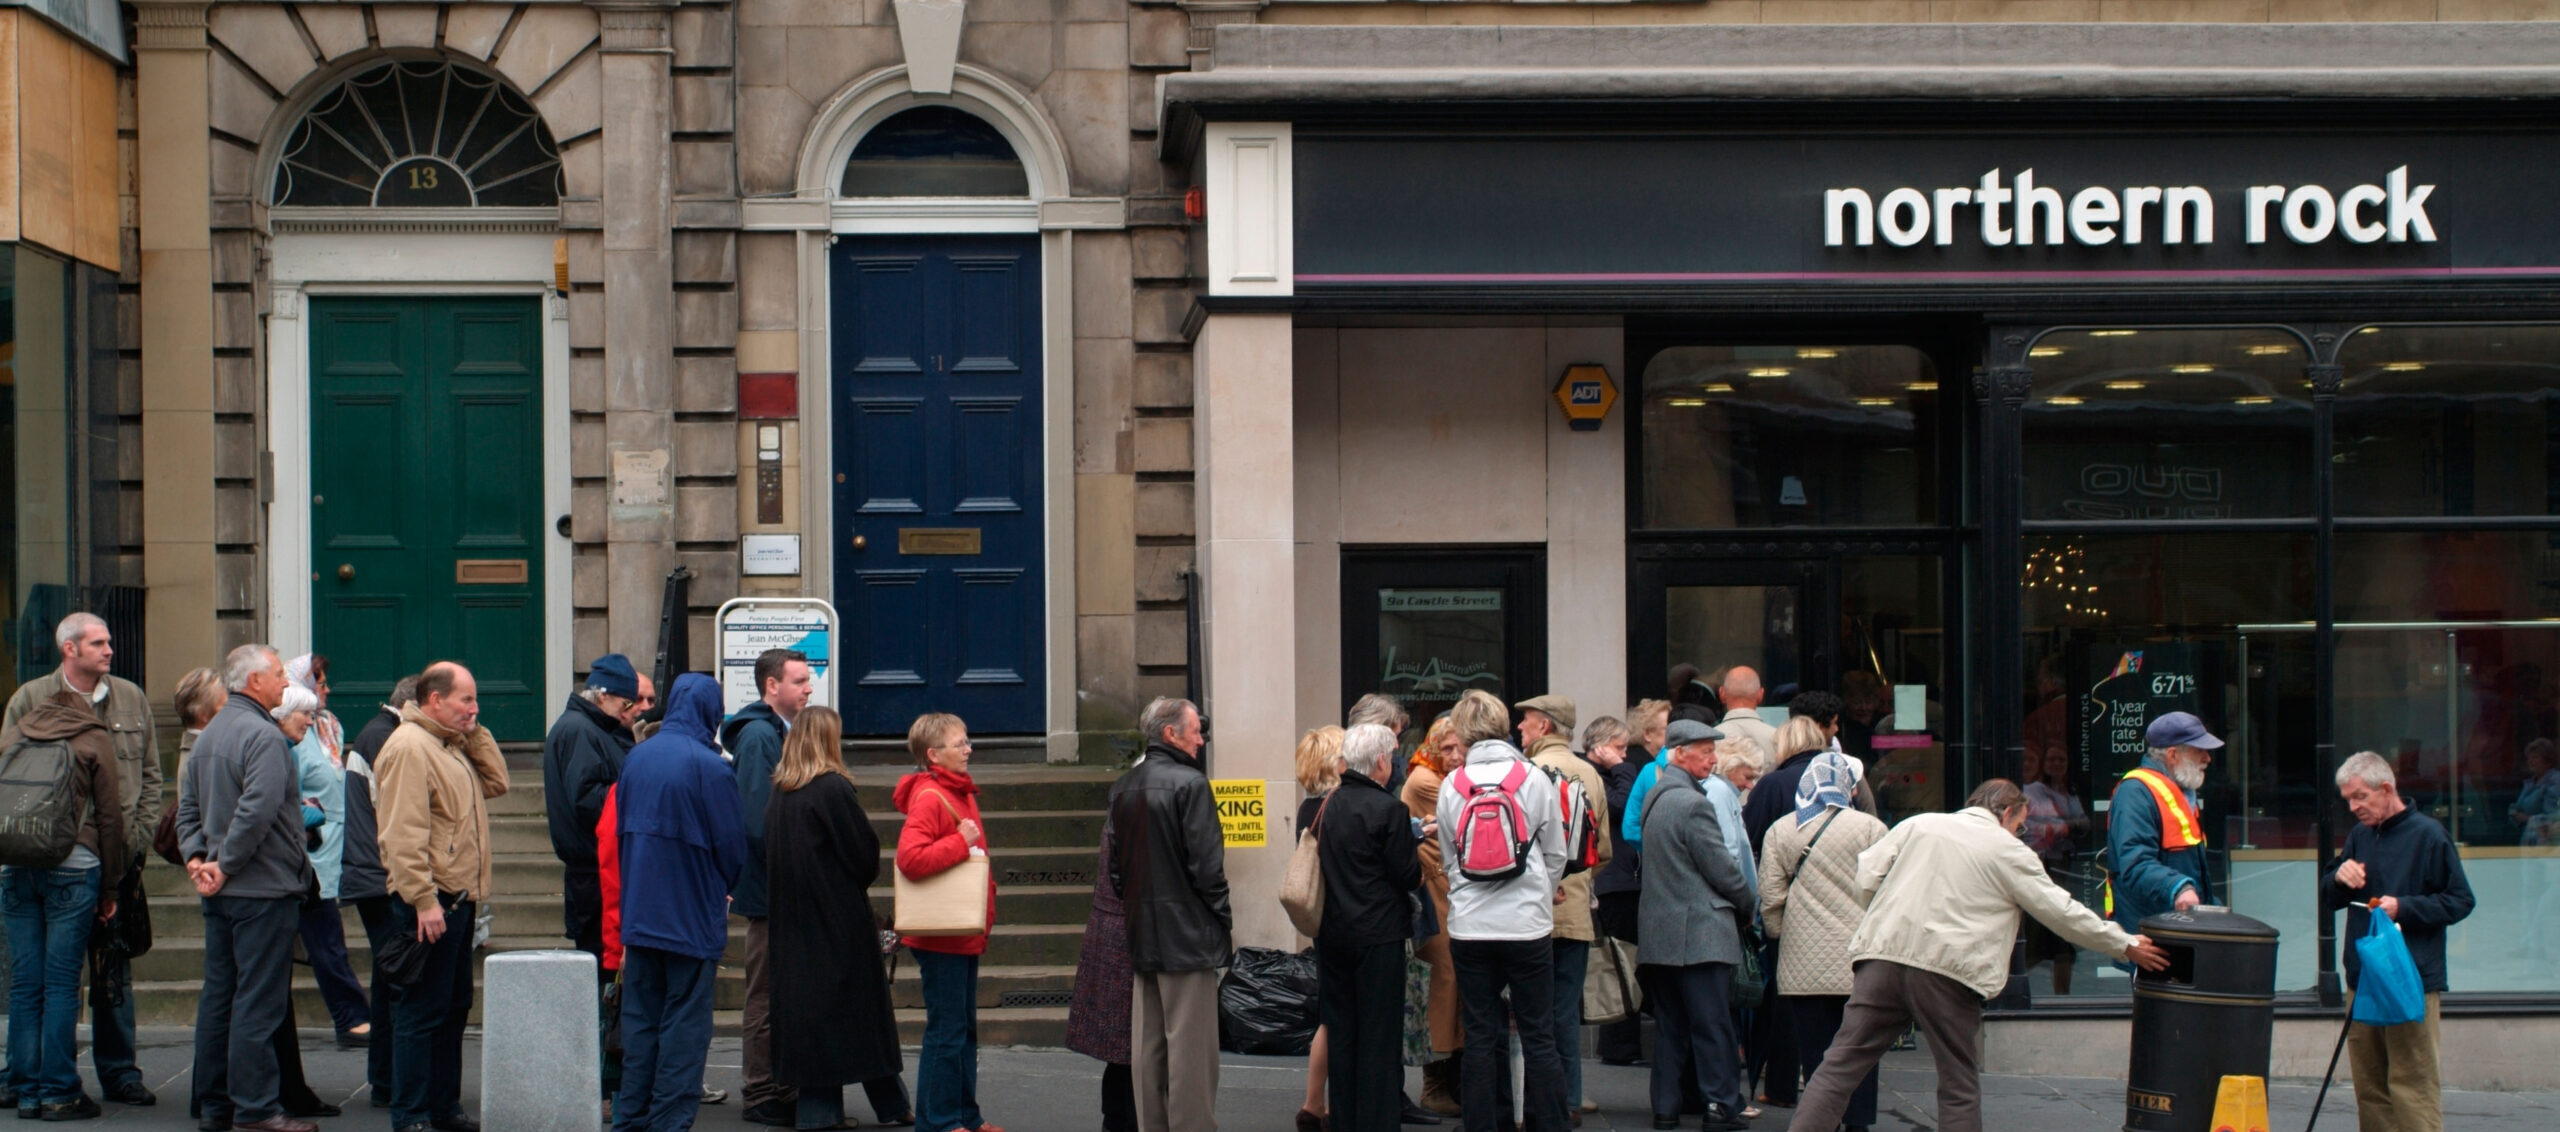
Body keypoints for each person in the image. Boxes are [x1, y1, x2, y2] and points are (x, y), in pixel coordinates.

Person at [1787, 780, 2169, 1132]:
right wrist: (2123, 944)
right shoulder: (2007, 850)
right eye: (2021, 825)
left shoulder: (1919, 825)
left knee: (1840, 1064)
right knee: (1958, 1083)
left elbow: (1867, 876)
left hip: (1881, 959)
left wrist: (1886, 919)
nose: (2020, 834)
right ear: (2007, 814)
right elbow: (2060, 912)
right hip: (1947, 971)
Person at [2, 612, 159, 1109]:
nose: (110, 649)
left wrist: (135, 842)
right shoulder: (29, 698)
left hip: (107, 855)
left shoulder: (131, 697)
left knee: (107, 973)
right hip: (58, 862)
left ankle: (111, 1074)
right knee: (56, 981)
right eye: (98, 642)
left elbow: (151, 777)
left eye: (111, 640)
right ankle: (49, 1086)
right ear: (69, 649)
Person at [176, 644, 318, 1132]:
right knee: (257, 1002)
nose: (286, 684)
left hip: (223, 889)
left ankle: (216, 1106)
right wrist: (223, 864)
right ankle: (256, 1110)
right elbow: (257, 810)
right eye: (278, 675)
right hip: (261, 889)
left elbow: (187, 807)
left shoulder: (210, 732)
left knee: (220, 997)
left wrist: (200, 860)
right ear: (253, 681)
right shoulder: (264, 736)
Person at [377, 661, 510, 1132]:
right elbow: (401, 834)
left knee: (452, 1009)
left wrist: (471, 731)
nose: (475, 708)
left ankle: (442, 1107)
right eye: (466, 700)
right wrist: (422, 899)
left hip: (459, 901)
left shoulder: (447, 745)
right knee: (420, 1013)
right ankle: (411, 1114)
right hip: (432, 904)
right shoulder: (411, 748)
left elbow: (497, 782)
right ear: (435, 700)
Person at [614, 673, 747, 1132]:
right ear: (711, 712)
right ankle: (668, 1123)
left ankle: (630, 1119)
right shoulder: (711, 767)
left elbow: (619, 832)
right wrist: (723, 888)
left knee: (641, 1025)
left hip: (640, 911)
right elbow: (732, 846)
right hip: (690, 915)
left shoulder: (637, 757)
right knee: (684, 1031)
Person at [765, 706, 907, 1132]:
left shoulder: (781, 792)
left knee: (817, 1018)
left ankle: (841, 1108)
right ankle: (878, 1107)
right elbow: (863, 857)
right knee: (860, 1015)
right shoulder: (832, 788)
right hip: (838, 920)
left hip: (793, 923)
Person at [1435, 689, 1568, 1132]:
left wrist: (1468, 898)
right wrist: (1538, 892)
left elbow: (1451, 859)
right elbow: (1555, 852)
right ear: (1503, 725)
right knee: (1539, 1035)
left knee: (1479, 1035)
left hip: (1471, 929)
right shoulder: (1533, 777)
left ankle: (1484, 1125)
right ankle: (1548, 1124)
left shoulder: (1452, 784)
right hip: (1527, 926)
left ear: (1463, 730)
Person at [2323, 751, 2476, 1132]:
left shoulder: (2428, 835)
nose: (2353, 806)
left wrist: (2404, 907)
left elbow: (2460, 900)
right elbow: (2331, 898)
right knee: (2370, 1085)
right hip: (2363, 978)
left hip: (2411, 977)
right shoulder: (2360, 835)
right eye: (2347, 799)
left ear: (2386, 788)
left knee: (2412, 1084)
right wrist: (2339, 877)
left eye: (2360, 797)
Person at [0, 677, 127, 1121]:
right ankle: (58, 1091)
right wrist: (111, 887)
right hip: (73, 868)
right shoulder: (91, 737)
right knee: (60, 984)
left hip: (16, 865)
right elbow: (111, 817)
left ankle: (25, 1088)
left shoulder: (17, 733)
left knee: (24, 984)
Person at [1110, 697, 1230, 1132]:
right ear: (1171, 734)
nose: (1201, 738)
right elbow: (1207, 869)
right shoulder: (1191, 784)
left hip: (1144, 929)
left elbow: (1115, 870)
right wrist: (1221, 922)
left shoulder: (1123, 787)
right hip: (1188, 932)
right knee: (1191, 1049)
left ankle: (1153, 1126)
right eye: (1195, 730)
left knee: (1149, 1045)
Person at [1758, 753, 1888, 1132]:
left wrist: (1784, 934)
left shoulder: (1782, 830)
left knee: (1816, 1051)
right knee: (1861, 1047)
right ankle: (1858, 1122)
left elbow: (1770, 899)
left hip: (1804, 963)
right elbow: (1884, 891)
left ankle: (1821, 1122)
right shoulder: (1870, 828)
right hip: (1859, 961)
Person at [1635, 718, 1750, 1132]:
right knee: (1712, 1025)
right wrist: (1747, 904)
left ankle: (1665, 1108)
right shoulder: (1693, 804)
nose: (1713, 759)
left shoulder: (1655, 797)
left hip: (1659, 933)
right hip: (1699, 933)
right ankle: (1721, 1105)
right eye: (1705, 751)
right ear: (1679, 753)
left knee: (1670, 1027)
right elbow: (1724, 870)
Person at [1318, 724, 1427, 1132]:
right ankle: (1378, 1122)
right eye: (1394, 755)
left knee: (1343, 1033)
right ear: (1381, 761)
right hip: (1378, 935)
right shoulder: (1389, 810)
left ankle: (1344, 1120)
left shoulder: (1330, 803)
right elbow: (1406, 874)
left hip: (1333, 932)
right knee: (1379, 1038)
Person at [896, 713, 1003, 1132]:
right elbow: (910, 859)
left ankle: (964, 1117)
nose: (968, 749)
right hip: (942, 934)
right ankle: (940, 1121)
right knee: (947, 1032)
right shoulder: (930, 797)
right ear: (933, 754)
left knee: (961, 1031)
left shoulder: (956, 790)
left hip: (961, 932)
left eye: (967, 741)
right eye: (959, 744)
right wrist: (962, 841)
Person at [727, 648, 816, 1128]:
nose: (808, 688)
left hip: (775, 887)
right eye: (799, 680)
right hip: (769, 891)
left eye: (808, 680)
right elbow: (759, 822)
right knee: (763, 994)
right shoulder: (761, 736)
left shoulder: (776, 733)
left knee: (776, 991)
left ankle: (778, 1085)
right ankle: (761, 1091)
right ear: (771, 687)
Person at [1517, 693, 1611, 1123]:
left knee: (1531, 1014)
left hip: (1526, 913)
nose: (1520, 728)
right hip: (1573, 911)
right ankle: (1569, 1098)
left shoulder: (1524, 773)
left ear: (1546, 727)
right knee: (1564, 1011)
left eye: (1528, 722)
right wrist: (1578, 882)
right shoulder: (1590, 773)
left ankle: (1535, 1099)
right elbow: (1603, 848)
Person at [282, 654, 370, 1048]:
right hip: (307, 850)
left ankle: (351, 1018)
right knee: (325, 938)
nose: (327, 689)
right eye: (319, 682)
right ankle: (351, 1019)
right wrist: (312, 817)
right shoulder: (288, 732)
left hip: (337, 846)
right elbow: (283, 794)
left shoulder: (329, 726)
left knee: (323, 937)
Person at [344, 676, 417, 1107]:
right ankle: (389, 1080)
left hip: (369, 872)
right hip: (380, 876)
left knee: (390, 975)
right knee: (398, 980)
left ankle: (385, 1079)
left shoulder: (375, 735)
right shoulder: (389, 740)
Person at [543, 654, 643, 965]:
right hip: (594, 872)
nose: (629, 712)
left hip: (595, 868)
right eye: (626, 703)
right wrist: (637, 791)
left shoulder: (593, 728)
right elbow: (587, 799)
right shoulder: (580, 731)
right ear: (603, 696)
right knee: (599, 963)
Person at [1401, 715, 1466, 1115]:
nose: (1456, 756)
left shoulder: (1436, 776)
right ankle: (1434, 1084)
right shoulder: (1427, 782)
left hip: (1448, 893)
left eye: (1462, 748)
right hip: (1436, 896)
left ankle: (1448, 1080)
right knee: (1442, 984)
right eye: (1447, 749)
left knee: (1451, 985)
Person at [2106, 712, 2219, 943]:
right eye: (2200, 751)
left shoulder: (2180, 790)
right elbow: (2135, 863)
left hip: (2176, 928)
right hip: (2151, 934)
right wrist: (2178, 887)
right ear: (2173, 755)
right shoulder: (2135, 792)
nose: (2208, 758)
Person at [1586, 711, 1652, 1070]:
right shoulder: (1597, 776)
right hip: (1614, 883)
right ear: (1599, 747)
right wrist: (1623, 769)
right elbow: (1621, 806)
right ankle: (1619, 1042)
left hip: (1621, 880)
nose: (1624, 755)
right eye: (1619, 748)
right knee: (1619, 962)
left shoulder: (1608, 773)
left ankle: (1623, 1041)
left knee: (1626, 960)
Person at [1066, 809, 1137, 1132]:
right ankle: (1120, 1119)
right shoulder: (1132, 815)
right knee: (1129, 1043)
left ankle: (1115, 1118)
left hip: (1113, 929)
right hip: (1125, 932)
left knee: (1122, 1045)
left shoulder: (1121, 810)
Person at [1291, 725, 1347, 1132]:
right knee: (1337, 1016)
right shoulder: (1336, 805)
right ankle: (1317, 1105)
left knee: (1329, 1015)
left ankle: (1314, 1104)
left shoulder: (1309, 806)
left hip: (1323, 922)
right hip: (1343, 922)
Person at [2023, 745, 2091, 994]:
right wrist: (2061, 827)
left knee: (2062, 939)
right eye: (2051, 759)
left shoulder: (2069, 792)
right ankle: (2008, 991)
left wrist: (2065, 827)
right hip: (2041, 865)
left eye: (2061, 758)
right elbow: (2028, 826)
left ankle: (2063, 997)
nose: (2056, 764)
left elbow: (2083, 823)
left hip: (2062, 868)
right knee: (2039, 934)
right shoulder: (2031, 792)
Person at [2513, 739, 2560, 846]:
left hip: (2548, 845)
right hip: (2530, 840)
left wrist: (2527, 818)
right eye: (2529, 758)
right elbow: (2518, 808)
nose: (2530, 761)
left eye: (2535, 757)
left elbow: (2553, 816)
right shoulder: (2530, 782)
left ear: (2547, 761)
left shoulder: (2555, 781)